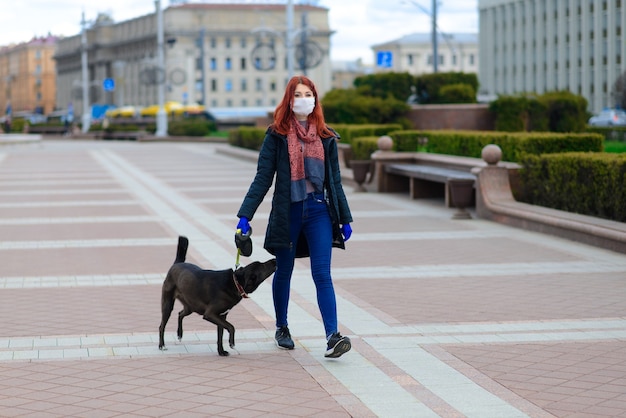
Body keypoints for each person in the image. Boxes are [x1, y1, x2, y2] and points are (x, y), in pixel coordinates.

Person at [236, 75, 353, 358]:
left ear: (315, 98)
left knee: (322, 274)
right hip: (287, 211)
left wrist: (345, 217)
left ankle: (332, 336)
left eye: (309, 93)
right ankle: (282, 327)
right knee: (284, 271)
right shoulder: (276, 135)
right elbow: (263, 177)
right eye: (298, 94)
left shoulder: (326, 136)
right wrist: (245, 215)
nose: (304, 99)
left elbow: (334, 181)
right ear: (289, 100)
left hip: (318, 211)